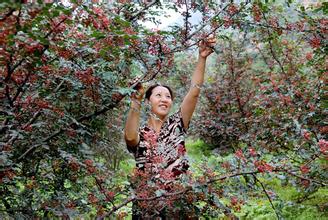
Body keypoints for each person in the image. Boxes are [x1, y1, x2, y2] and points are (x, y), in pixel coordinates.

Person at [124, 37, 216, 219]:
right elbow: (129, 138)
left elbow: (194, 92)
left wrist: (202, 57)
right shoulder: (141, 133)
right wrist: (135, 100)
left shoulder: (177, 124)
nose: (164, 99)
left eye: (168, 96)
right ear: (148, 101)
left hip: (179, 200)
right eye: (158, 95)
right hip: (147, 204)